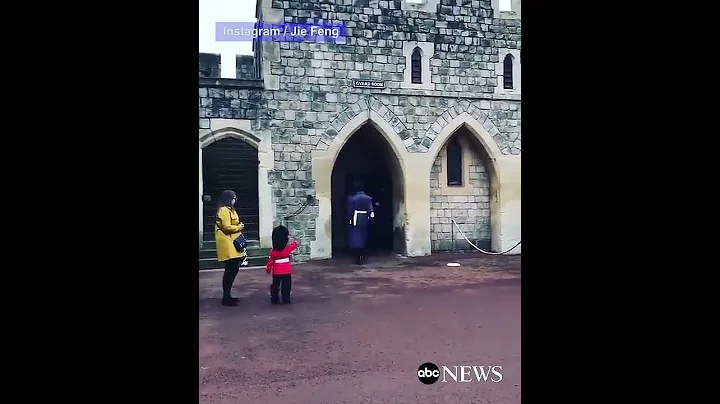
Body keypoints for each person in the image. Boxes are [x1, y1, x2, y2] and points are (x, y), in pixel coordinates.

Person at [215, 189, 248, 306]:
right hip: (227, 242)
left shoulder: (230, 210)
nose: (235, 200)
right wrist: (239, 227)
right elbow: (227, 227)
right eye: (233, 198)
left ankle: (228, 295)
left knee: (232, 269)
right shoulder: (224, 210)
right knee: (231, 269)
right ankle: (226, 297)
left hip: (231, 241)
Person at [266, 225, 299, 305]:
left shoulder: (273, 251)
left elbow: (270, 261)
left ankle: (274, 298)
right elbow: (294, 245)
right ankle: (285, 299)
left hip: (276, 271)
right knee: (286, 286)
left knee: (275, 285)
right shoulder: (287, 249)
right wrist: (296, 242)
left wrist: (268, 269)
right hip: (286, 271)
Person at [346, 179, 374, 265]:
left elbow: (350, 210)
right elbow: (370, 209)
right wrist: (371, 216)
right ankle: (361, 253)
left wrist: (350, 218)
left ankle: (357, 255)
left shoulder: (353, 198)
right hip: (365, 217)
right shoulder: (368, 198)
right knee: (363, 235)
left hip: (356, 217)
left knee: (355, 235)